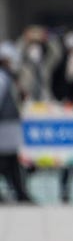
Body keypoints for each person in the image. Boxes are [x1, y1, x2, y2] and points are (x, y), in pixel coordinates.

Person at [0, 41, 34, 203]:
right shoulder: (2, 77)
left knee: (10, 161)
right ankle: (20, 192)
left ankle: (20, 192)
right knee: (8, 161)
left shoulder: (8, 77)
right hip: (5, 126)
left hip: (9, 126)